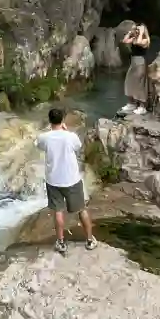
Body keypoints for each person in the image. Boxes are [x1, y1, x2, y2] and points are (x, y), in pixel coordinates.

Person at [35, 107, 97, 255]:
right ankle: (89, 240)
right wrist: (66, 130)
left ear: (50, 121)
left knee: (58, 211)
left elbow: (38, 145)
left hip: (53, 181)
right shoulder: (71, 136)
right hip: (72, 180)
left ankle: (61, 242)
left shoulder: (44, 137)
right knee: (81, 209)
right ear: (63, 120)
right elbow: (77, 147)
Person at [120, 23, 151, 115]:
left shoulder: (145, 40)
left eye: (138, 30)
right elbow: (125, 41)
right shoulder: (134, 38)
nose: (137, 31)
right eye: (136, 30)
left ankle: (142, 106)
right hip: (133, 63)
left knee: (140, 85)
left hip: (140, 63)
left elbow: (138, 43)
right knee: (129, 81)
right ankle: (131, 103)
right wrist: (130, 32)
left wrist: (141, 32)